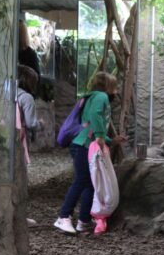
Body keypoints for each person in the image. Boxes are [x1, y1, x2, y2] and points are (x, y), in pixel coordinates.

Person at [54, 71, 126, 234]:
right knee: (81, 180)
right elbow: (95, 116)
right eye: (114, 86)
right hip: (82, 145)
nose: (116, 90)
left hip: (83, 144)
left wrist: (110, 140)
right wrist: (101, 136)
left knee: (89, 183)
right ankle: (63, 217)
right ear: (107, 86)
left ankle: (84, 220)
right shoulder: (101, 96)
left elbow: (90, 125)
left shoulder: (92, 97)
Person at [17, 64, 40, 228]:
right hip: (18, 140)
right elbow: (31, 123)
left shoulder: (5, 93)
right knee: (20, 177)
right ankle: (20, 216)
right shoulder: (26, 98)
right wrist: (41, 124)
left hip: (2, 137)